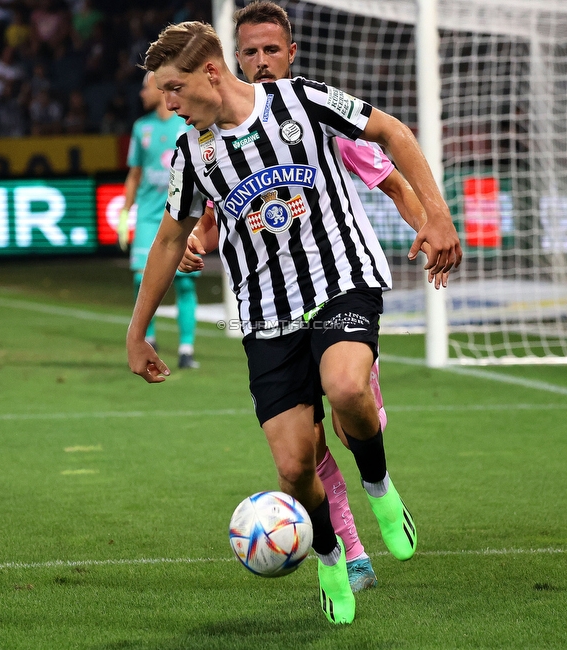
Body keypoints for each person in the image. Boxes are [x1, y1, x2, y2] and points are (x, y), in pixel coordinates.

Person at [127, 22, 461, 625]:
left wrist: (435, 215)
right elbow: (170, 236)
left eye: (173, 89)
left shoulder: (303, 100)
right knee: (293, 466)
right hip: (266, 315)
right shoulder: (191, 154)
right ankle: (331, 555)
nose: (167, 103)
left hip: (340, 281)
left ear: (208, 72)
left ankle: (380, 488)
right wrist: (136, 328)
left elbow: (391, 133)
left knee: (348, 388)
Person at [121, 71, 199, 369]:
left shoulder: (187, 124)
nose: (141, 94)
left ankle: (186, 349)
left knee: (185, 285)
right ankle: (148, 339)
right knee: (142, 278)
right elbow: (135, 174)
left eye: (144, 88)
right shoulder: (142, 128)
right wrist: (126, 212)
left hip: (181, 217)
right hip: (149, 216)